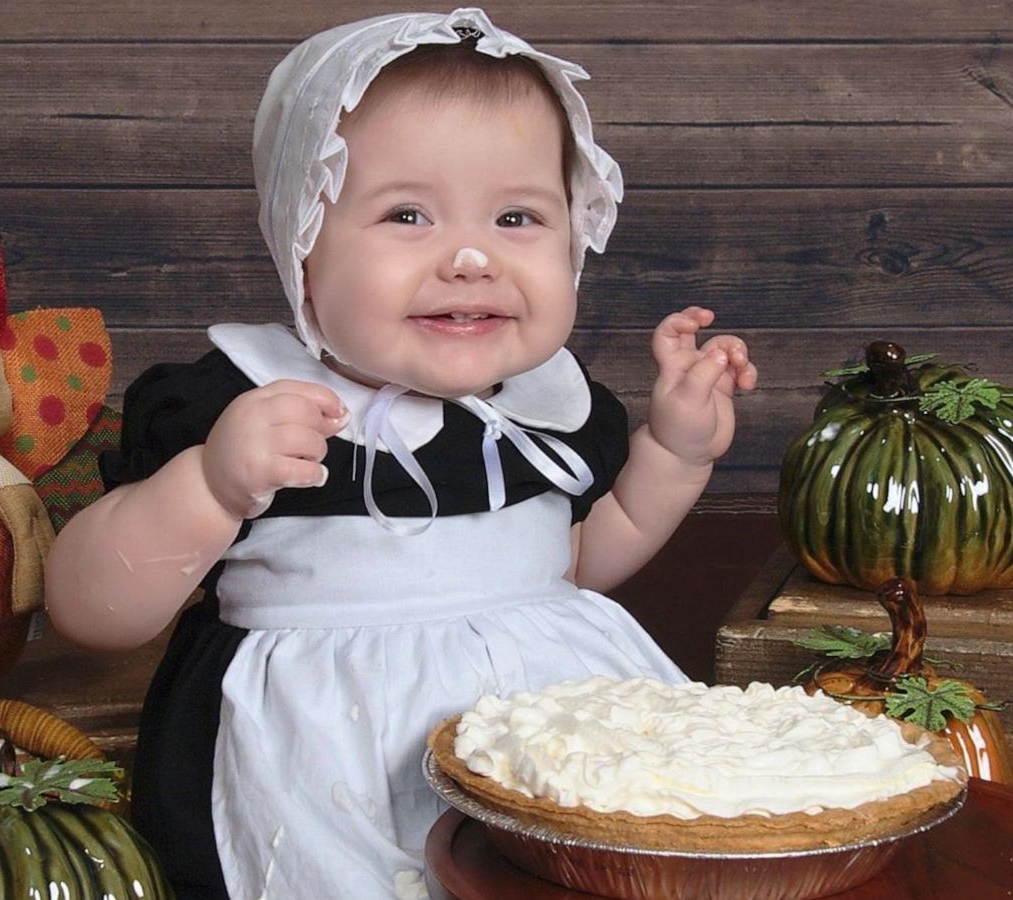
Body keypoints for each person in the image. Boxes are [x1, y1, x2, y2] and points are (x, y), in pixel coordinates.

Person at [44, 8, 757, 898]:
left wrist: (674, 456)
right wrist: (209, 485)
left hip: (557, 740)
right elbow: (86, 609)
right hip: (318, 759)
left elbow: (576, 565)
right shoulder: (251, 409)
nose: (470, 256)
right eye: (408, 214)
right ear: (303, 251)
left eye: (518, 216)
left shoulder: (544, 412)